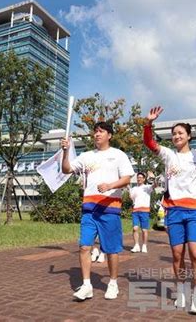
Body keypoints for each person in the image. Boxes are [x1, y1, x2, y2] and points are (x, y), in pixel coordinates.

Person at [143, 106, 196, 314]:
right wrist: (148, 124)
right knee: (177, 255)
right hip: (175, 211)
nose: (176, 136)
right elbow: (150, 143)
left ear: (188, 136)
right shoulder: (169, 155)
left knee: (195, 253)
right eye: (174, 134)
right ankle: (181, 290)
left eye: (180, 133)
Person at [61, 122, 134, 301]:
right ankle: (87, 285)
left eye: (101, 131)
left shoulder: (118, 155)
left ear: (109, 135)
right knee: (84, 246)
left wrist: (110, 185)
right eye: (95, 132)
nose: (97, 134)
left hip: (110, 209)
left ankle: (113, 283)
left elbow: (126, 178)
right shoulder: (86, 156)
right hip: (89, 209)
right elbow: (66, 169)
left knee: (111, 250)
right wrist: (65, 151)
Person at [129, 172, 156, 253]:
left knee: (144, 230)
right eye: (138, 177)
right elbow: (132, 198)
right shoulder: (134, 188)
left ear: (144, 179)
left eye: (141, 177)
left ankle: (144, 245)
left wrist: (153, 178)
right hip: (135, 211)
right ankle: (136, 245)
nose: (139, 179)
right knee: (135, 228)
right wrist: (128, 189)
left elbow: (155, 185)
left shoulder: (147, 187)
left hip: (144, 211)